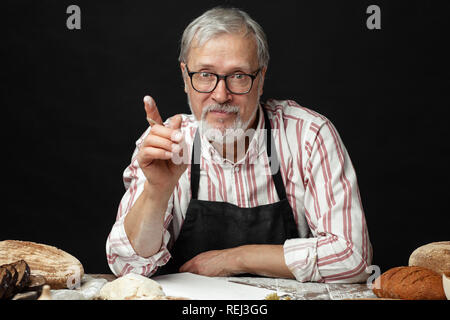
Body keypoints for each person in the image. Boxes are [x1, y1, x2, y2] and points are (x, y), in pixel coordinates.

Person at [106, 7, 372, 283]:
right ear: (186, 77)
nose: (221, 95)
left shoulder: (308, 136)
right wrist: (157, 191)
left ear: (261, 78)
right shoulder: (165, 143)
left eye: (238, 76)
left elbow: (353, 258)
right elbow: (127, 268)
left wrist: (235, 258)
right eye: (206, 75)